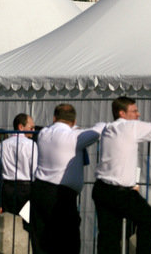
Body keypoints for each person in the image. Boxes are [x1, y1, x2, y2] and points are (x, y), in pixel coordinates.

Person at [92, 97, 151, 254]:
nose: (138, 114)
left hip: (102, 189)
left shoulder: (108, 128)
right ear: (122, 113)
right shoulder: (129, 127)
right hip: (120, 192)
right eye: (134, 111)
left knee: (109, 236)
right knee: (148, 218)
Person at [30, 103, 101, 254]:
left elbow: (54, 128)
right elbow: (97, 131)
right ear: (74, 122)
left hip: (39, 188)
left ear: (54, 118)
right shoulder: (75, 137)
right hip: (61, 193)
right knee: (68, 240)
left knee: (41, 238)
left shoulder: (43, 133)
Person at [0, 112, 37, 238]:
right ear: (20, 127)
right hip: (26, 189)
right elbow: (35, 172)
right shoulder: (31, 145)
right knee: (27, 226)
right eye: (31, 127)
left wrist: (0, 194)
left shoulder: (2, 145)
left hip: (7, 189)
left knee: (8, 226)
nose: (33, 130)